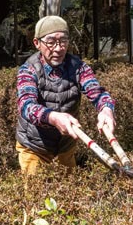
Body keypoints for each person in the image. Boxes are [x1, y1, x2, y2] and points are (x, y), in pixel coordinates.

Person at [15, 15, 116, 174]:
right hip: (34, 147)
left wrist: (106, 109)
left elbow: (97, 92)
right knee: (36, 196)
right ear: (37, 43)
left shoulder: (78, 67)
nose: (58, 48)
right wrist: (53, 117)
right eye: (51, 42)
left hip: (65, 146)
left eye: (63, 41)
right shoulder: (28, 70)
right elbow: (26, 105)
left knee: (69, 193)